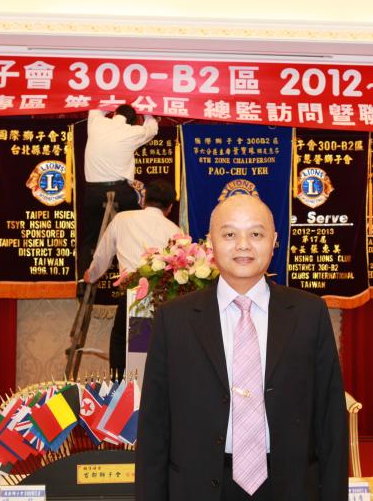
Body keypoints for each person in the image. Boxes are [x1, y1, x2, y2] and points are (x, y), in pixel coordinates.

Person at [136, 194, 348, 501]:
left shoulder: (309, 313)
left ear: (274, 241)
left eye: (256, 234)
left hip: (289, 486)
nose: (243, 245)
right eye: (230, 234)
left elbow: (331, 422)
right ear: (211, 243)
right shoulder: (174, 319)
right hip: (199, 486)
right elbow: (154, 427)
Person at [84, 179, 181, 380]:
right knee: (150, 351)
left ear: (143, 199)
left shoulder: (122, 219)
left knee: (123, 343)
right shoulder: (175, 231)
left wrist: (91, 275)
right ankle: (146, 392)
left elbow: (103, 255)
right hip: (162, 300)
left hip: (132, 294)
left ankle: (120, 390)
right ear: (170, 207)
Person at [79, 104, 159, 273]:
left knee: (90, 238)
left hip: (94, 192)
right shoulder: (133, 132)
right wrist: (147, 112)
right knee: (135, 231)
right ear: (132, 121)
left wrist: (114, 100)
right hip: (122, 191)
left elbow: (97, 107)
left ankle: (82, 281)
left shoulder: (96, 123)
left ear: (114, 113)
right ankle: (139, 275)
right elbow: (152, 129)